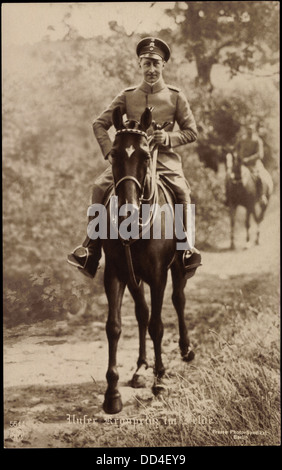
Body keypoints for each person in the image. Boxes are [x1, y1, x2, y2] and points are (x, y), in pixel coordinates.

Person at [67, 37, 202, 278]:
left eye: (156, 64)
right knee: (99, 186)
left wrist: (169, 139)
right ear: (139, 65)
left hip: (164, 164)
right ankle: (91, 251)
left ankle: (185, 250)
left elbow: (192, 132)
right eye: (146, 63)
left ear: (163, 66)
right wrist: (110, 151)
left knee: (182, 191)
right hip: (130, 163)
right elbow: (99, 124)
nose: (151, 69)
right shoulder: (127, 96)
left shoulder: (176, 97)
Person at [236, 124, 268, 207]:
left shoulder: (257, 140)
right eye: (248, 129)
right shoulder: (242, 139)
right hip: (243, 164)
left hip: (255, 164)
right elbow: (237, 149)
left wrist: (249, 159)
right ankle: (231, 198)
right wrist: (240, 157)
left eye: (251, 129)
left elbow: (260, 154)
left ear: (253, 130)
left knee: (259, 176)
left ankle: (261, 196)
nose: (249, 131)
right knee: (233, 175)